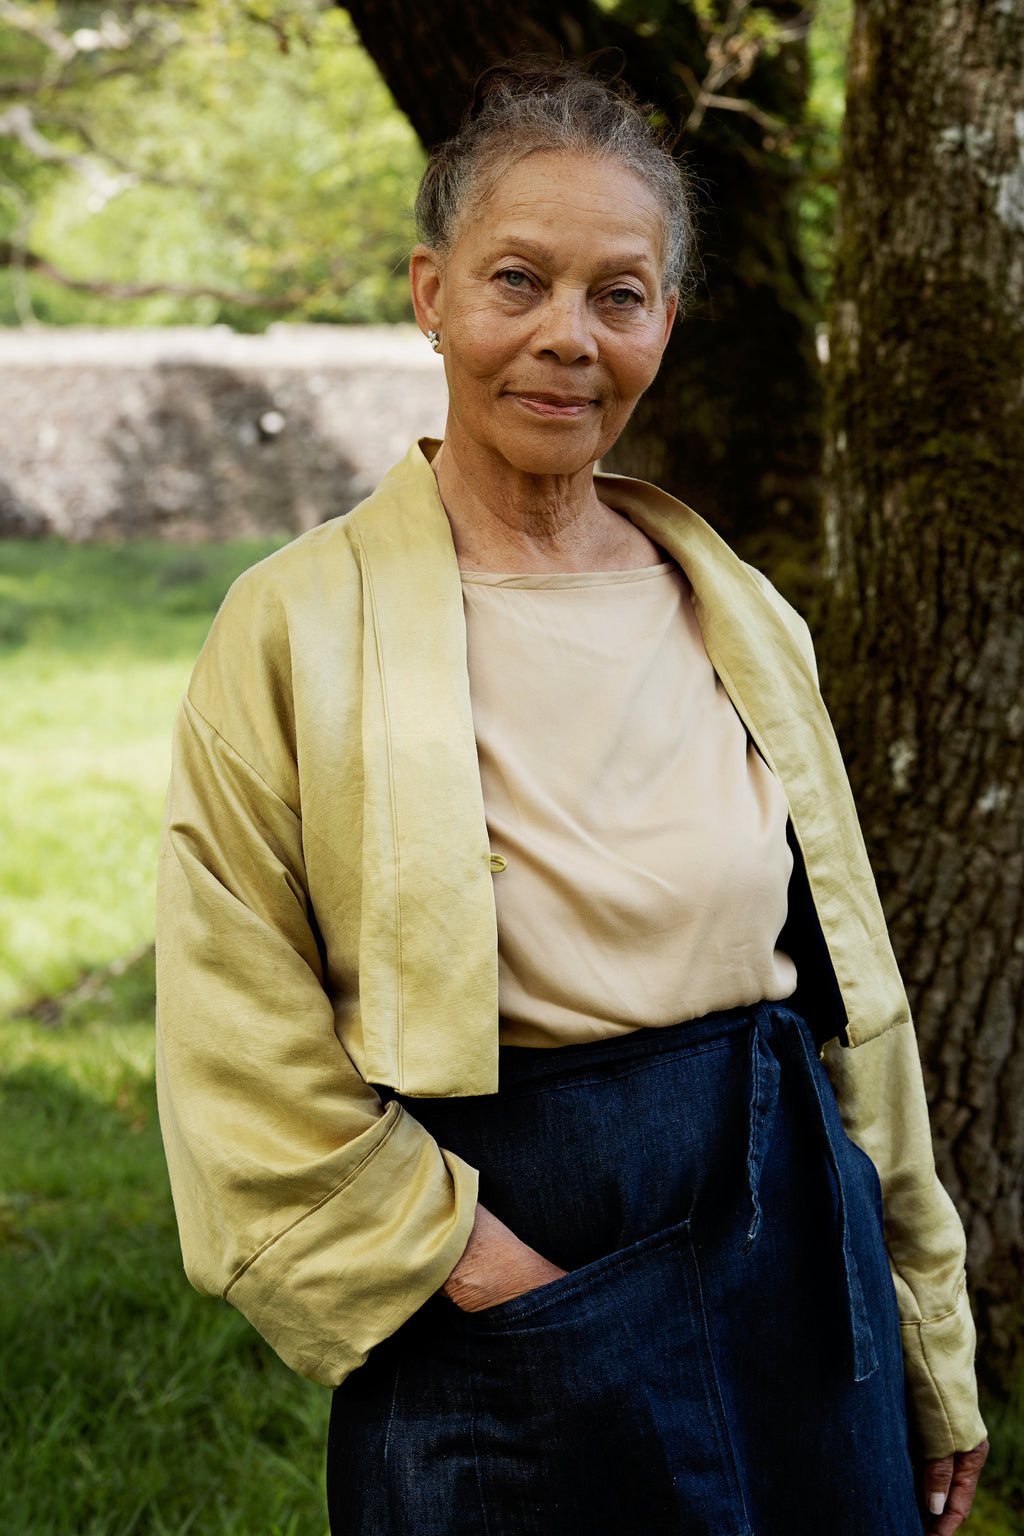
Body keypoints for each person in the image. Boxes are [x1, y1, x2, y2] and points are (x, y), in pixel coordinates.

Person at [155, 60, 989, 1536]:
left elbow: (858, 1012)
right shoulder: (293, 628)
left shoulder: (743, 620)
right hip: (501, 1242)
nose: (566, 338)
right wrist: (467, 1260)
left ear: (666, 320)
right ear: (430, 293)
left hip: (790, 1235)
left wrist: (925, 1333)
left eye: (620, 295)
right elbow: (236, 1017)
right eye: (517, 280)